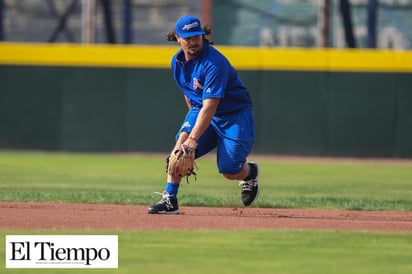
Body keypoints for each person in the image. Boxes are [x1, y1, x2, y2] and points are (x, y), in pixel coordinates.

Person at [147, 15, 259, 214]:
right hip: (201, 109)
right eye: (188, 37)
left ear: (203, 36)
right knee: (177, 154)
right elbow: (190, 96)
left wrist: (192, 139)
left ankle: (250, 174)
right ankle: (170, 199)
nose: (193, 41)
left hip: (233, 115)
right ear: (178, 38)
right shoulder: (177, 62)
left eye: (196, 36)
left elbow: (211, 106)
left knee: (230, 170)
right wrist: (186, 132)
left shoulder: (214, 63)